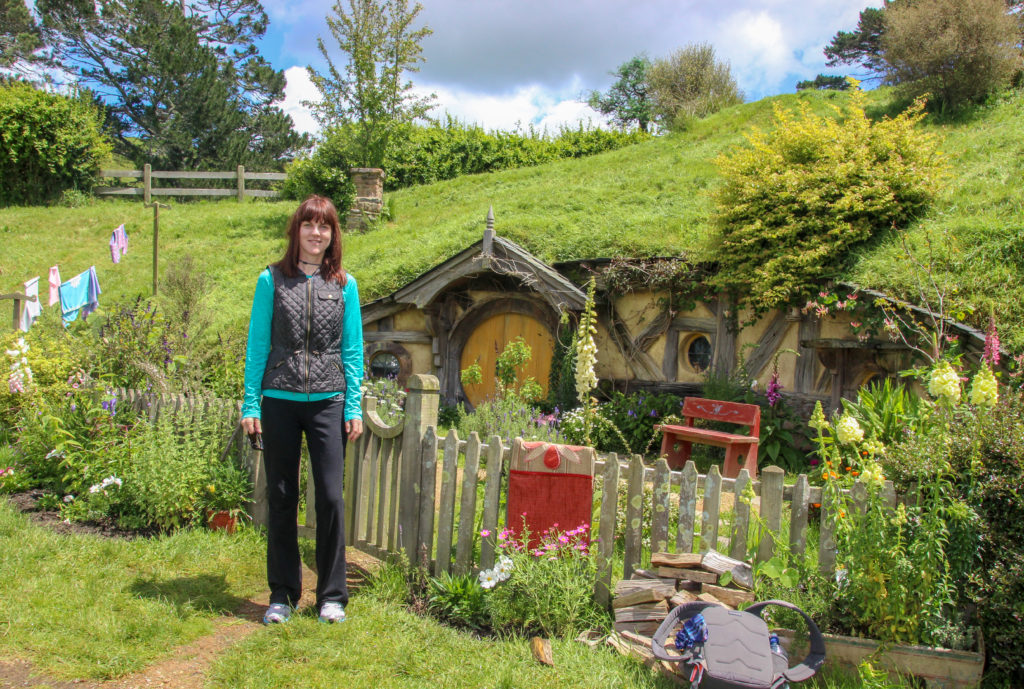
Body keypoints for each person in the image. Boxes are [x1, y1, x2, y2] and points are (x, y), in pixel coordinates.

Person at [241, 195, 363, 624]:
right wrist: (250, 402)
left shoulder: (344, 284)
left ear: (333, 235)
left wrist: (353, 406)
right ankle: (283, 594)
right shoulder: (270, 279)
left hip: (328, 401)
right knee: (281, 496)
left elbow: (352, 350)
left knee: (330, 497)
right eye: (309, 225)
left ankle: (332, 596)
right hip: (279, 400)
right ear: (297, 231)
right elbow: (258, 345)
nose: (316, 233)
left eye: (324, 226)